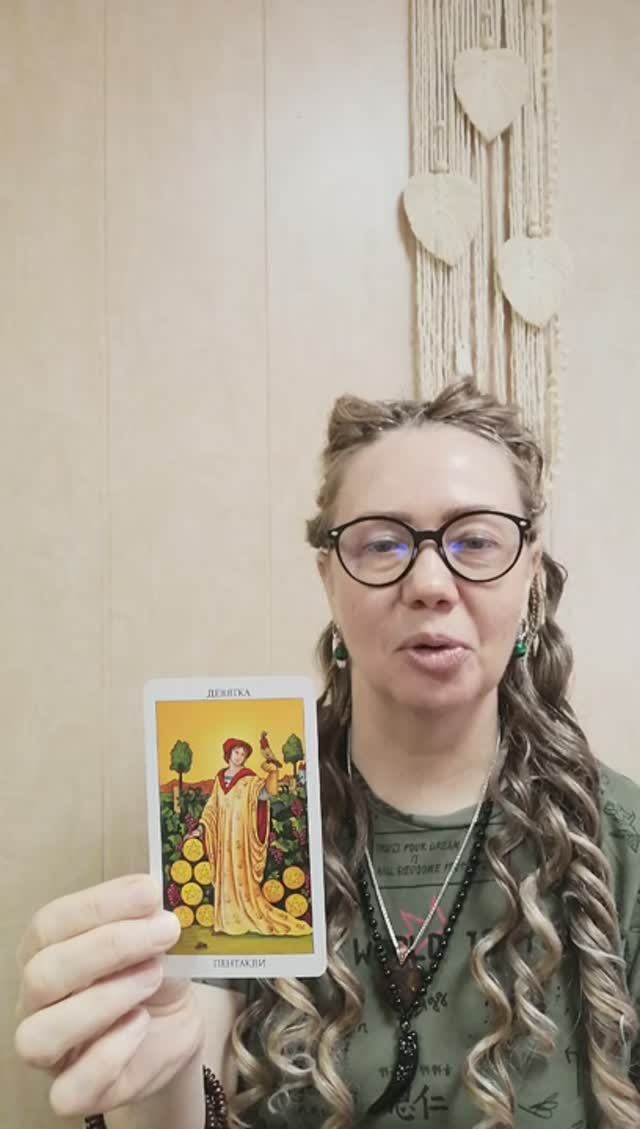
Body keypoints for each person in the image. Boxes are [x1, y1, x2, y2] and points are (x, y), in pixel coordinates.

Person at [14, 379, 640, 1129]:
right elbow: (186, 1095)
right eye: (383, 543)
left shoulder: (620, 841)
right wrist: (156, 1085)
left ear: (530, 571)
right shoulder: (252, 812)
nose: (430, 584)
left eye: (475, 541)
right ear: (329, 579)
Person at [192, 737, 311, 937]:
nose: (239, 757)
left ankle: (244, 917)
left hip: (241, 838)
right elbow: (212, 806)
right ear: (228, 754)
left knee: (240, 875)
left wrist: (273, 773)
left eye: (243, 754)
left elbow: (267, 794)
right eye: (236, 752)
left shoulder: (249, 779)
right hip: (223, 838)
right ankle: (226, 921)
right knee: (225, 875)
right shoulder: (219, 779)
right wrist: (201, 828)